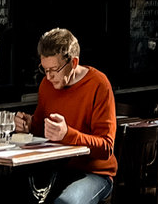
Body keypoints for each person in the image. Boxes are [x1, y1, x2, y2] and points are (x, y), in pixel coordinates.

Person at [14, 28, 116, 204]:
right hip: (55, 169)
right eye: (44, 70)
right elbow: (40, 130)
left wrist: (67, 134)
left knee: (67, 202)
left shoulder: (98, 84)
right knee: (9, 191)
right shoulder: (46, 85)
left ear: (74, 62)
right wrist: (29, 125)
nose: (49, 76)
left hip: (95, 173)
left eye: (54, 69)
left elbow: (106, 147)